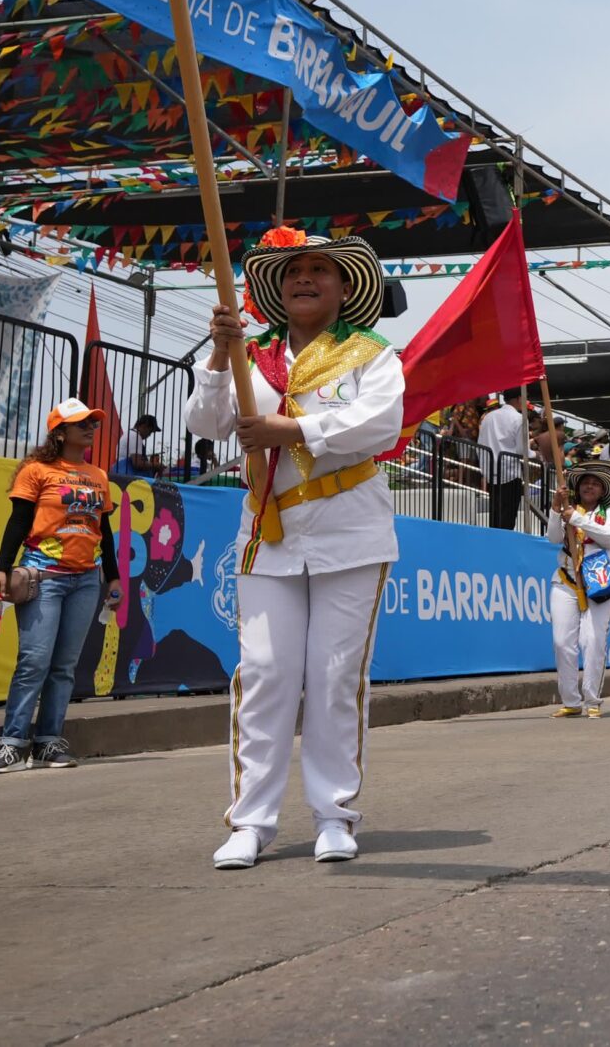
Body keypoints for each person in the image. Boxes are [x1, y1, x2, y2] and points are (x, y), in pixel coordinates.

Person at [191, 227, 406, 868]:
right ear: (276, 291)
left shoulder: (371, 355)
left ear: (344, 288)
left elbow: (381, 425)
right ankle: (250, 822)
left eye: (318, 270)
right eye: (292, 272)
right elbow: (205, 426)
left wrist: (296, 427)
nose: (304, 279)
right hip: (268, 535)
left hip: (351, 535)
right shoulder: (248, 358)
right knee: (263, 673)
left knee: (336, 676)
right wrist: (215, 357)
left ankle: (334, 815)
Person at [0, 398, 120, 775]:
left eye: (93, 423)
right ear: (59, 432)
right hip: (43, 575)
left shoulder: (99, 476)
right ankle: (12, 744)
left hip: (86, 580)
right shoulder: (36, 470)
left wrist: (114, 576)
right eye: (81, 424)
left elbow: (102, 530)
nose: (90, 428)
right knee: (34, 661)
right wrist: (1, 568)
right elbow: (18, 522)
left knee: (64, 666)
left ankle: (47, 742)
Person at [550, 463, 610, 717]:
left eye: (595, 483)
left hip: (599, 585)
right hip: (566, 581)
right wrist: (555, 509)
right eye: (585, 482)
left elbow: (608, 538)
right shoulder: (568, 511)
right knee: (562, 642)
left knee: (592, 641)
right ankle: (571, 701)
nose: (589, 486)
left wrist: (577, 519)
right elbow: (553, 538)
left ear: (603, 489)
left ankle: (592, 699)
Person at [478, 392, 529, 530]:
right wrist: (537, 454)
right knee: (508, 519)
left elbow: (480, 445)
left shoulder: (488, 417)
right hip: (510, 473)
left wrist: (485, 470)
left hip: (492, 473)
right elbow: (522, 450)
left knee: (495, 517)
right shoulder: (519, 418)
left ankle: (495, 547)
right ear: (519, 398)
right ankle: (504, 548)